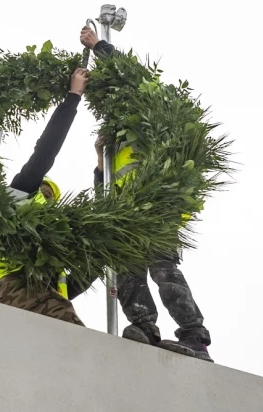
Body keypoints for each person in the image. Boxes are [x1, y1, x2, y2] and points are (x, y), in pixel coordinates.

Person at [82, 25, 214, 362]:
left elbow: (129, 75)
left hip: (156, 213)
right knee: (127, 273)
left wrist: (98, 47)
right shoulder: (114, 145)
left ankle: (194, 335)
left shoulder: (150, 125)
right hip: (126, 217)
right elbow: (105, 195)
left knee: (164, 272)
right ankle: (143, 327)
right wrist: (100, 158)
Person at [0, 65, 95, 326]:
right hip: (15, 286)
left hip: (45, 294)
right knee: (75, 339)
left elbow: (72, 283)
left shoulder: (54, 240)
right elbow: (45, 152)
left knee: (71, 337)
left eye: (51, 196)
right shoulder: (20, 196)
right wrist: (73, 97)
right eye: (44, 192)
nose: (46, 197)